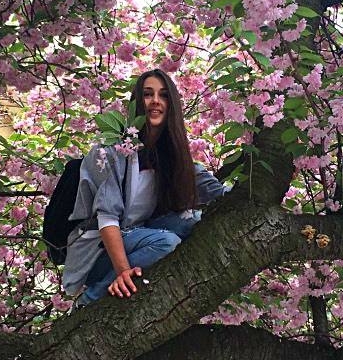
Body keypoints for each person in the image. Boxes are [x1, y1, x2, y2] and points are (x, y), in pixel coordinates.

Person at [62, 69, 227, 306]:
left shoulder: (171, 154)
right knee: (167, 242)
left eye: (164, 95)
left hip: (138, 235)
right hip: (100, 250)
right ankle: (90, 299)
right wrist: (122, 271)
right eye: (148, 94)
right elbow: (107, 218)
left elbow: (218, 192)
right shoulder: (110, 151)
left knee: (193, 221)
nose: (156, 101)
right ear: (137, 102)